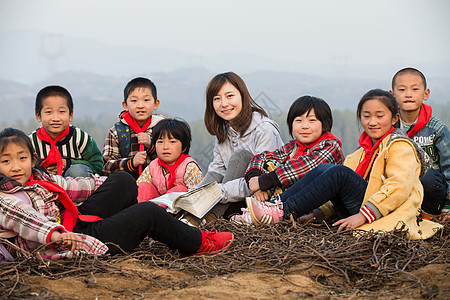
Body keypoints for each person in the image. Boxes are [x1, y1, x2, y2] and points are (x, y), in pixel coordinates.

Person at [0, 128, 234, 261]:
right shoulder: (4, 198)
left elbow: (72, 186)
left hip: (75, 222)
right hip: (66, 242)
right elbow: (28, 220)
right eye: (6, 161)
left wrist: (108, 183)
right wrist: (58, 235)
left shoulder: (41, 179)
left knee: (123, 181)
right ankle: (197, 242)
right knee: (148, 212)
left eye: (22, 158)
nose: (16, 167)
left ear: (32, 159)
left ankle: (125, 224)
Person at [245, 89, 442, 240]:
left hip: (382, 212)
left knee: (338, 172)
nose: (372, 122)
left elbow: (398, 187)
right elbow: (336, 191)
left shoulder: (399, 146)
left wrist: (363, 216)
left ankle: (278, 213)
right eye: (366, 116)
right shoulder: (360, 153)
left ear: (395, 118)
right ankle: (271, 209)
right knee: (325, 170)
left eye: (380, 116)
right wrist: (318, 214)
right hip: (361, 206)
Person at [232, 95, 345, 224]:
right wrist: (256, 181)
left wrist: (265, 181)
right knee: (271, 163)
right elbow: (261, 157)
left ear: (325, 125)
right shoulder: (294, 146)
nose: (304, 126)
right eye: (298, 120)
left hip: (311, 205)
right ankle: (260, 211)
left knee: (282, 170)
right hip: (285, 201)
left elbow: (306, 167)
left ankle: (265, 212)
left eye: (312, 120)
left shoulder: (330, 146)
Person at [197, 72, 284, 223]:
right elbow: (217, 170)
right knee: (212, 176)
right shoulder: (224, 132)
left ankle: (210, 218)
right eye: (217, 98)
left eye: (229, 96)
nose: (224, 104)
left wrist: (216, 194)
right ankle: (191, 216)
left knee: (242, 156)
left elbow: (262, 181)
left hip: (261, 199)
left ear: (242, 96)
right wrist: (194, 197)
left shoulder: (264, 130)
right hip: (231, 196)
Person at [390, 67, 450, 222]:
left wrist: (448, 206)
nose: (408, 94)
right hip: (400, 188)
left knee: (425, 175)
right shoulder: (389, 127)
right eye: (402, 89)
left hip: (431, 190)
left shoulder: (437, 129)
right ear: (392, 95)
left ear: (425, 94)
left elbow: (449, 168)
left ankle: (429, 214)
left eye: (415, 89)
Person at [29, 86, 103, 177]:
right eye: (49, 112)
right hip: (43, 186)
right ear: (38, 116)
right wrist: (44, 168)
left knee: (77, 171)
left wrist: (68, 163)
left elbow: (98, 164)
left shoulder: (80, 138)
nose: (55, 118)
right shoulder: (31, 141)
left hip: (77, 187)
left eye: (62, 111)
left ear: (71, 115)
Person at [102, 77, 165, 179]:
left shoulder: (163, 128)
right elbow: (106, 168)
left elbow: (174, 160)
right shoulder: (116, 131)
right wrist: (131, 163)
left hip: (159, 184)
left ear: (156, 104)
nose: (140, 105)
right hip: (126, 187)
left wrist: (151, 146)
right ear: (125, 105)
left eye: (146, 100)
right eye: (134, 100)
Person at [136, 118, 203, 202]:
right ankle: (140, 212)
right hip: (154, 209)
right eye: (160, 142)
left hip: (180, 211)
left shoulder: (189, 167)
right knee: (143, 187)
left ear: (184, 147)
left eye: (172, 142)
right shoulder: (153, 166)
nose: (165, 147)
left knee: (179, 190)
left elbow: (197, 196)